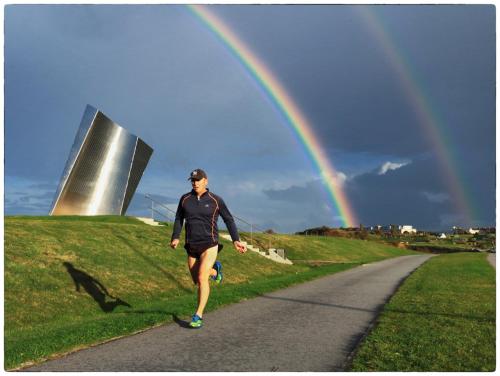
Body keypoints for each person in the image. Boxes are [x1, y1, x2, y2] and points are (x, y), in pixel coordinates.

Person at [170, 169, 246, 328]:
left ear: (206, 181)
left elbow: (228, 219)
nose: (195, 182)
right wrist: (175, 237)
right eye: (192, 180)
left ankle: (198, 315)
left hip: (210, 243)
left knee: (202, 276)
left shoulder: (215, 200)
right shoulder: (185, 199)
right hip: (191, 245)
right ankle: (216, 271)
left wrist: (236, 240)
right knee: (196, 279)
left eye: (198, 179)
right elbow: (178, 218)